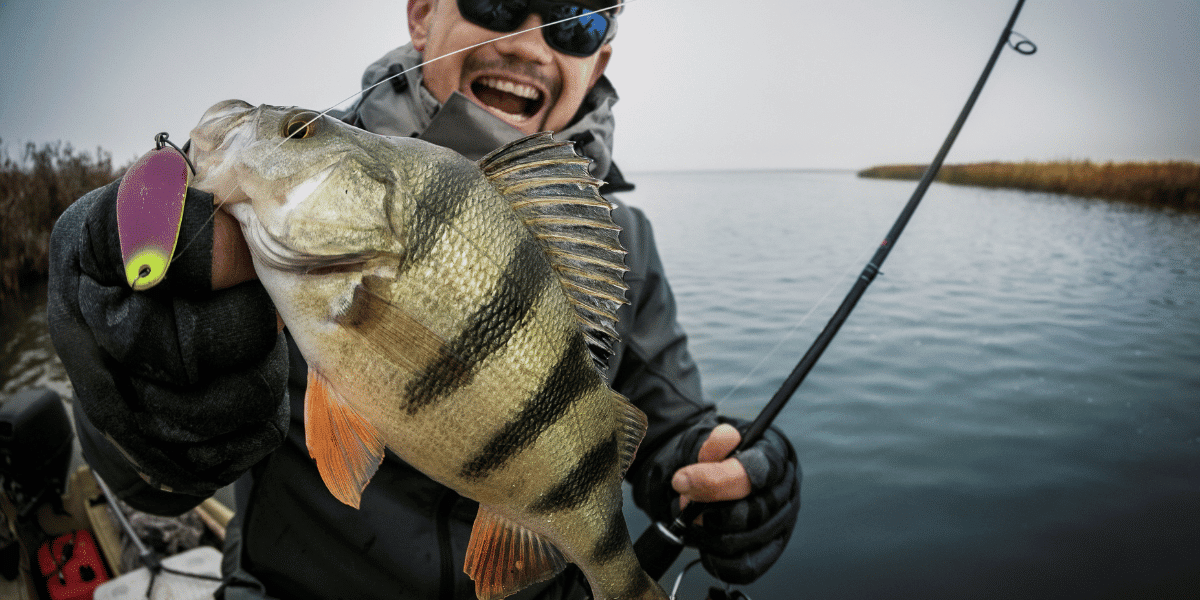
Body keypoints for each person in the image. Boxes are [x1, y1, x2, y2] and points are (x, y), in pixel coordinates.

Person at [47, 1, 800, 598]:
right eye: (499, 1)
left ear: (599, 59)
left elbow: (668, 425)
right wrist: (134, 399)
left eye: (579, 20)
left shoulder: (619, 240)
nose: (534, 46)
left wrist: (731, 477)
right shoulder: (253, 243)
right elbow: (153, 488)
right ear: (421, 15)